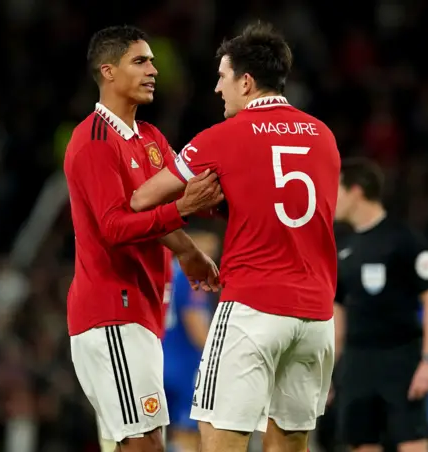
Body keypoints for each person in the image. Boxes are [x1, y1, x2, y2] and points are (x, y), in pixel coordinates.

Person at [130, 21, 339, 452]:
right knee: (291, 442)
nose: (217, 89)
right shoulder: (325, 137)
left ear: (246, 81)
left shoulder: (222, 137)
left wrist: (187, 207)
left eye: (222, 78)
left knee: (219, 437)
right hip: (316, 316)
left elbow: (140, 201)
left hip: (253, 308)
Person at [64, 25, 224, 452]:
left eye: (152, 61)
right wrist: (183, 210)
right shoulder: (94, 141)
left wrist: (189, 251)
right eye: (140, 61)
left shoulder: (150, 139)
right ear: (109, 71)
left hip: (144, 312)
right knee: (146, 443)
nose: (153, 69)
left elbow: (176, 201)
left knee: (138, 441)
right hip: (111, 311)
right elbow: (114, 228)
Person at [333, 157, 428, 452]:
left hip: (401, 361)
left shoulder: (403, 239)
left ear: (356, 191)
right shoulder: (342, 246)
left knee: (411, 443)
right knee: (361, 443)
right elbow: (338, 311)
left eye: (336, 190)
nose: (330, 199)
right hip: (357, 364)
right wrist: (328, 369)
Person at [163, 230, 219, 452]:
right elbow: (194, 323)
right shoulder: (192, 275)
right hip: (186, 366)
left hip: (161, 360)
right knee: (189, 435)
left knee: (168, 433)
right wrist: (217, 357)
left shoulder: (167, 272)